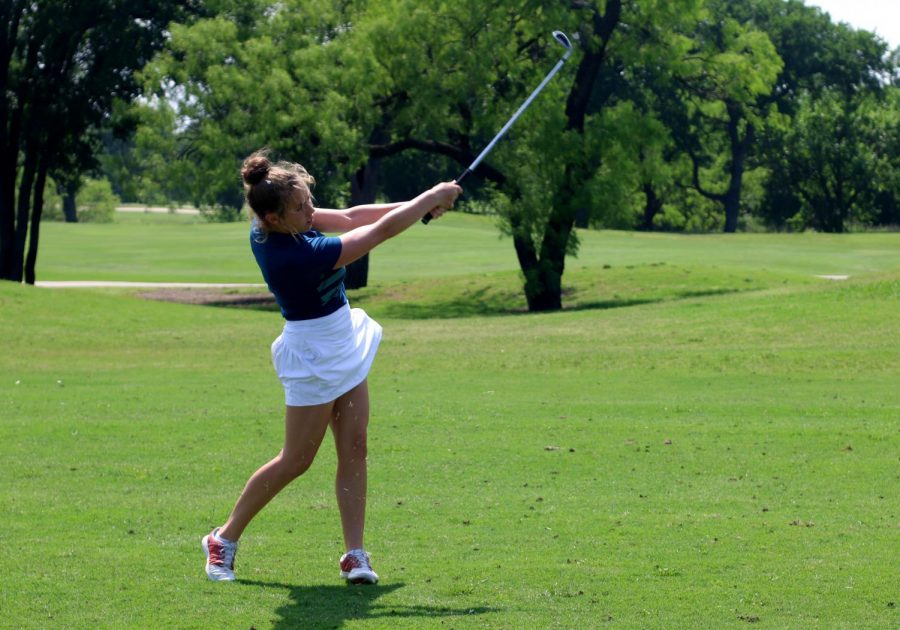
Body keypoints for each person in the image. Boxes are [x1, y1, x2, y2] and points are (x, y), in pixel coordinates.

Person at [201, 150, 461, 583]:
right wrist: (428, 198)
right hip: (311, 353)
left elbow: (352, 214)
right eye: (300, 208)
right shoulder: (294, 254)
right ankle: (223, 539)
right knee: (297, 460)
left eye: (308, 201)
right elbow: (374, 233)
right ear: (272, 219)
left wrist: (422, 202)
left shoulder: (286, 218)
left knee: (355, 446)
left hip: (343, 337)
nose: (311, 212)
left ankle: (355, 554)